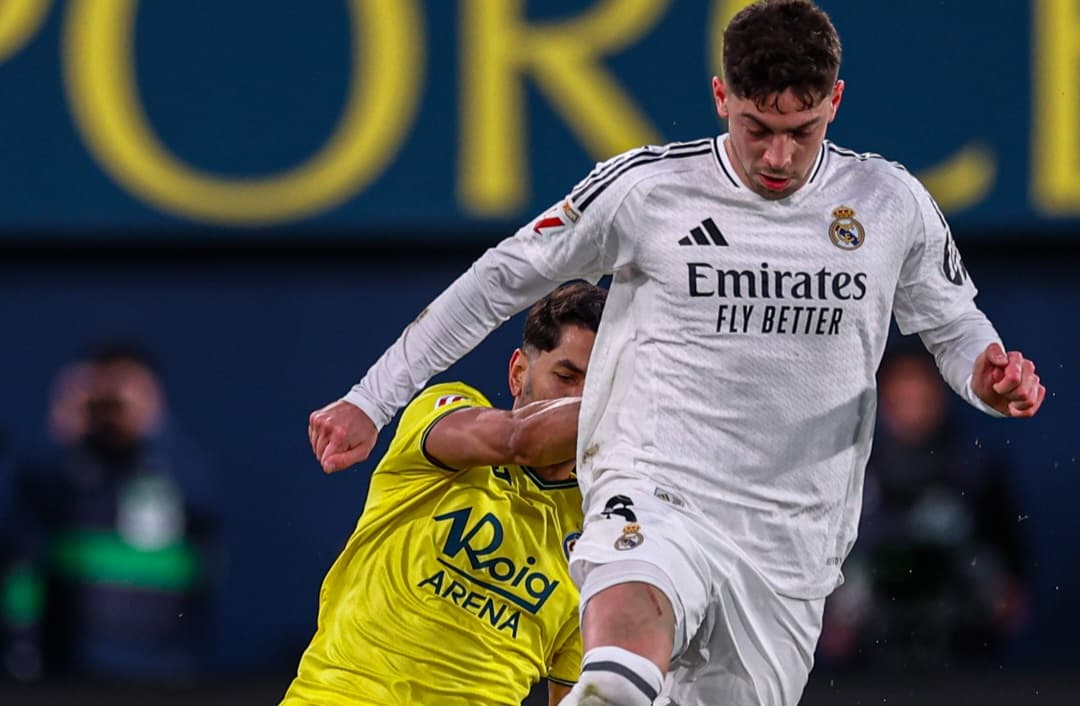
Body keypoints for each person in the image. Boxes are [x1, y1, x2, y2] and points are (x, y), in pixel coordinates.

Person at [308, 2, 1046, 704]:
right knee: (620, 671)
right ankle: (615, 677)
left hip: (791, 543)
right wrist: (372, 398)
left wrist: (986, 376)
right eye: (757, 128)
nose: (779, 155)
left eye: (803, 130)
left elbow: (954, 325)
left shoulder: (890, 202)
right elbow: (501, 278)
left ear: (836, 102)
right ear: (722, 96)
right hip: (657, 493)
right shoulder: (649, 190)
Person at [283, 282, 607, 706]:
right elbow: (521, 440)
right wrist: (625, 403)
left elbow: (571, 693)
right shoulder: (446, 411)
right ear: (517, 373)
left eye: (599, 384)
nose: (578, 399)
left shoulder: (601, 528)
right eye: (566, 378)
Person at [1, 342, 219, 680]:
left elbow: (205, 515)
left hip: (166, 667)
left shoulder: (174, 467)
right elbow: (22, 533)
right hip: (77, 667)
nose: (111, 409)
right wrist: (66, 424)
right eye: (101, 396)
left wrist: (154, 425)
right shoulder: (63, 469)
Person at [818, 343, 1029, 673]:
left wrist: (996, 591)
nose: (912, 404)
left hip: (962, 649)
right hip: (869, 656)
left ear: (940, 396)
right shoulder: (852, 470)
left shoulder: (975, 467)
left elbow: (1011, 579)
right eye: (902, 395)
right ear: (883, 400)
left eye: (921, 394)